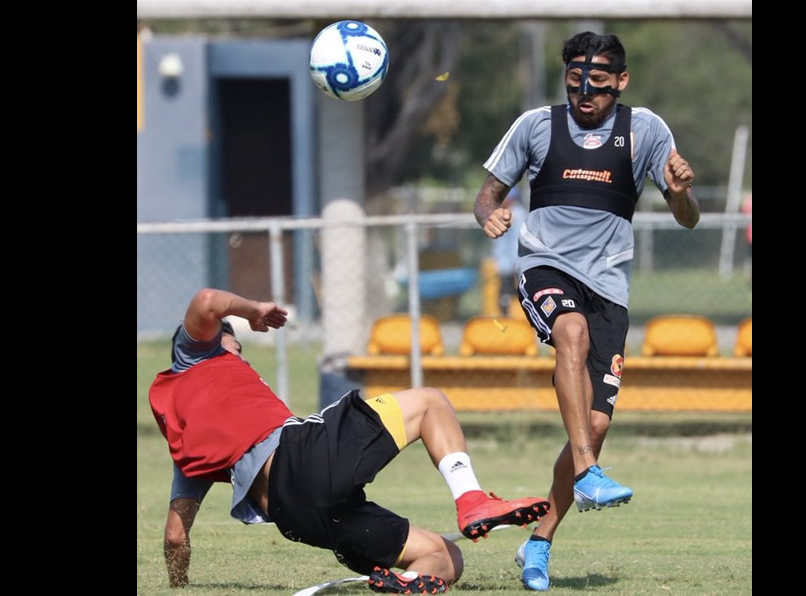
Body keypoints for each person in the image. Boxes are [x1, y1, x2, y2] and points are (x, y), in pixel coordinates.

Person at [472, 31, 700, 591]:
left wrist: (682, 192)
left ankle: (539, 541)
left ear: (620, 82)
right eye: (575, 85)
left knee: (595, 424)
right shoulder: (535, 125)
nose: (584, 97)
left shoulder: (645, 130)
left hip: (610, 288)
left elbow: (686, 218)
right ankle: (586, 472)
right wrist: (489, 216)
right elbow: (487, 193)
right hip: (545, 266)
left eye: (597, 87)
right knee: (569, 333)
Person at [150, 287, 550, 593]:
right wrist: (254, 311)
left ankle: (407, 583)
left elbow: (175, 536)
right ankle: (472, 499)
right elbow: (206, 300)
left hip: (298, 519)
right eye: (233, 341)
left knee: (446, 557)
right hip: (301, 459)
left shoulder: (188, 449)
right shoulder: (196, 355)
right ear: (206, 339)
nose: (240, 350)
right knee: (431, 402)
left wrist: (180, 586)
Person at [491, 187, 528, 316]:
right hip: (505, 264)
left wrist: (515, 264)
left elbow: (516, 242)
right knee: (504, 295)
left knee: (518, 293)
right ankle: (506, 322)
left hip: (514, 264)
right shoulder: (502, 213)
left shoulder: (517, 214)